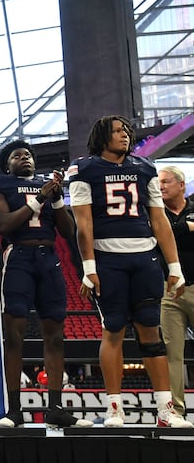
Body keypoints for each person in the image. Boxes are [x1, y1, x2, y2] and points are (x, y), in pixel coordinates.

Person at [68, 114, 192, 428]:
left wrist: (174, 265)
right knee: (113, 331)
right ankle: (114, 409)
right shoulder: (84, 169)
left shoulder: (145, 167)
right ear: (102, 136)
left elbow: (160, 220)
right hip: (108, 259)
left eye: (126, 131)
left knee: (152, 331)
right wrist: (88, 267)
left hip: (145, 258)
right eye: (118, 131)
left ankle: (166, 410)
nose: (125, 135)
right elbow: (83, 223)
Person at [0, 139, 93, 428]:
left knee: (56, 335)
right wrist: (39, 199)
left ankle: (55, 407)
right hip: (19, 256)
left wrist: (55, 198)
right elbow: (5, 224)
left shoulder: (47, 184)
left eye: (28, 154)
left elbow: (68, 230)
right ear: (7, 163)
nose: (25, 158)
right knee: (15, 336)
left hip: (50, 258)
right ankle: (14, 410)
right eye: (18, 155)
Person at [158, 166, 194, 421]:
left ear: (181, 185)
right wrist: (189, 228)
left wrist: (175, 232)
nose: (161, 187)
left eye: (166, 182)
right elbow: (160, 236)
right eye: (159, 183)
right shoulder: (156, 213)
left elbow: (169, 235)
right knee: (172, 353)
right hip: (168, 290)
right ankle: (176, 412)